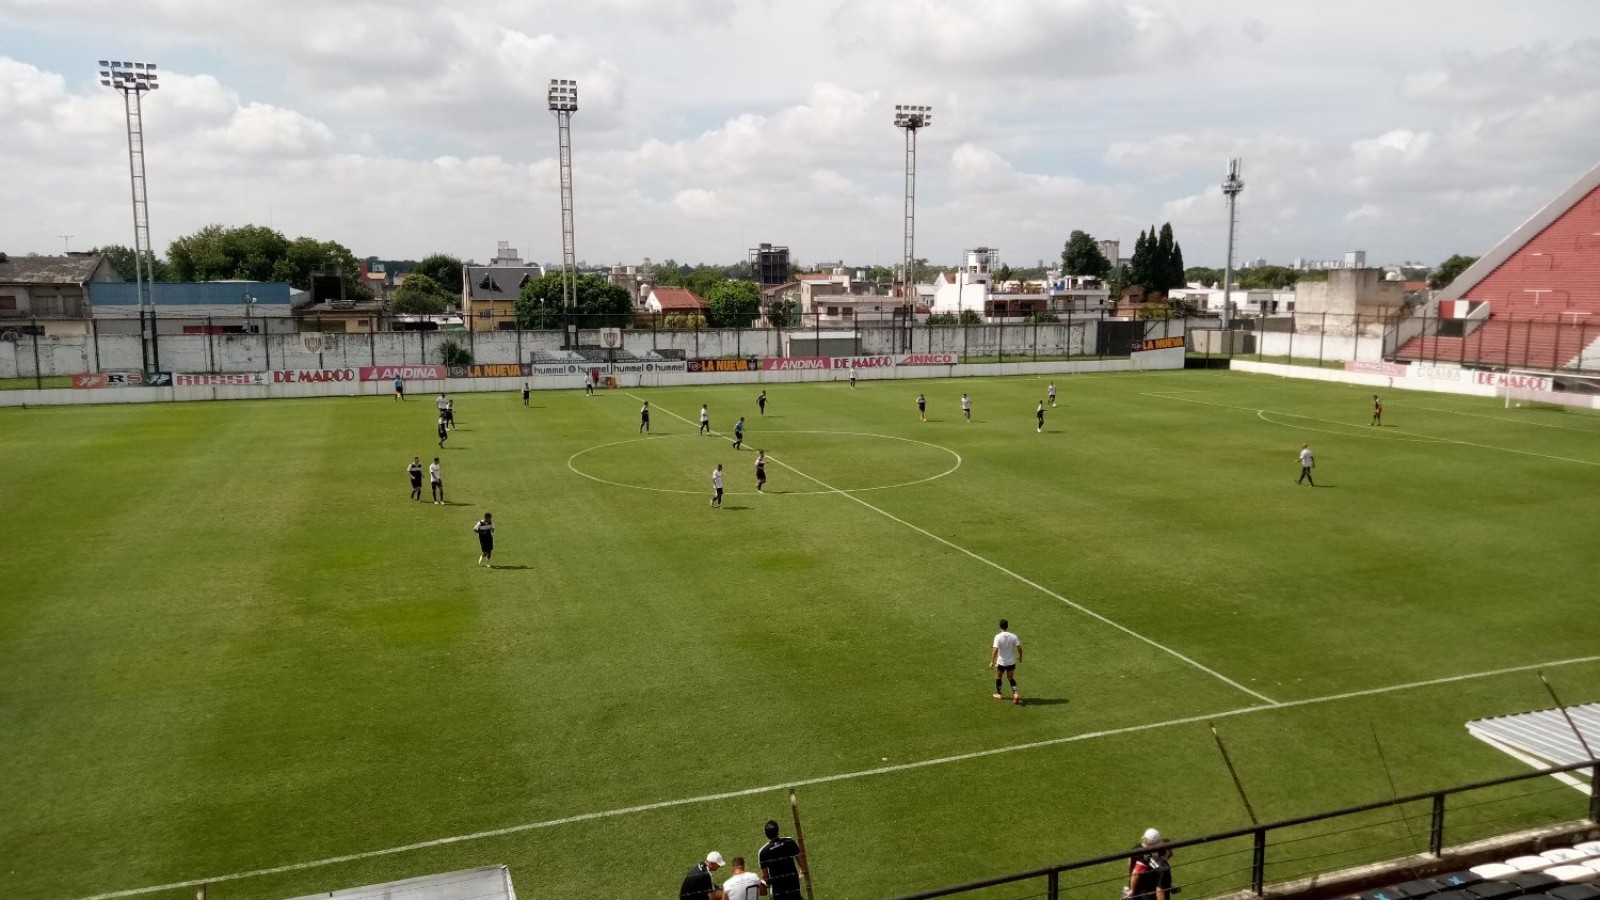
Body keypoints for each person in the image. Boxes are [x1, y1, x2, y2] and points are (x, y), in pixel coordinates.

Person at [759, 820, 807, 900]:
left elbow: (766, 876)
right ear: (778, 831)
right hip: (794, 889)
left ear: (766, 834)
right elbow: (802, 863)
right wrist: (801, 873)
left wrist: (763, 884)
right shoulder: (789, 841)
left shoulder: (763, 852)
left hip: (777, 893)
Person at [1127, 830, 1173, 900]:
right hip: (1142, 891)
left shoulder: (1137, 848)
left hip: (1139, 888)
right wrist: (1132, 890)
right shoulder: (1147, 857)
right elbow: (1136, 872)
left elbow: (1130, 863)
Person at [990, 618, 1022, 704]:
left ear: (1000, 626)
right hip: (1011, 662)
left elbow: (995, 649)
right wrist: (1020, 656)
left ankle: (999, 694)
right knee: (1011, 678)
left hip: (1001, 662)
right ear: (1007, 626)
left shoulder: (998, 637)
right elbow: (1019, 647)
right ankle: (1015, 694)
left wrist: (992, 661)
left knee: (998, 677)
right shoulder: (1013, 636)